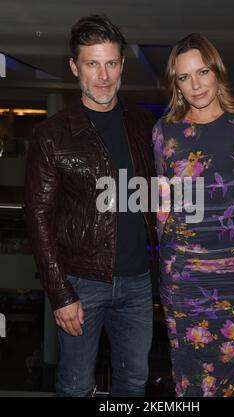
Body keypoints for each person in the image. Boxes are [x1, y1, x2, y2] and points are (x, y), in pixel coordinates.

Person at [25, 14, 158, 397]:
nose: (103, 75)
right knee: (76, 384)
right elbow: (38, 218)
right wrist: (60, 293)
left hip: (137, 281)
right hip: (81, 284)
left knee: (134, 381)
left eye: (111, 63)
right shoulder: (52, 135)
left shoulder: (145, 124)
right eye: (92, 63)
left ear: (122, 67)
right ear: (74, 67)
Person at [152, 33, 234, 397]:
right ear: (175, 84)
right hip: (183, 275)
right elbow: (163, 207)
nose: (195, 85)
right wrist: (166, 268)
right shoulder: (165, 132)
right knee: (188, 376)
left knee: (228, 375)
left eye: (202, 72)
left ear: (217, 71)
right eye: (184, 77)